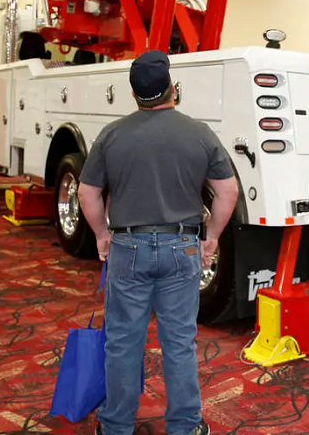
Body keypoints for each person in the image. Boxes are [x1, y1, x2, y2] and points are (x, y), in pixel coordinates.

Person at [78, 50, 239, 435]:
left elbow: (87, 192)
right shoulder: (198, 132)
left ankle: (115, 426)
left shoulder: (112, 135)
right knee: (179, 342)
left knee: (122, 342)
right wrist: (212, 237)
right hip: (181, 247)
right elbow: (227, 191)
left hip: (128, 247)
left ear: (134, 94)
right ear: (173, 89)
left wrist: (101, 235)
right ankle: (185, 426)